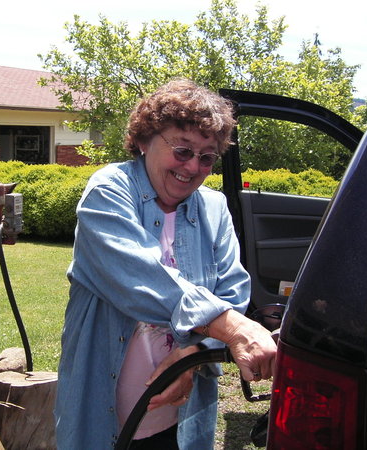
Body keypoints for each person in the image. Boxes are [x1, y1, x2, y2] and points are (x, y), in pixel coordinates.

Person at [54, 79, 277, 449]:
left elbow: (232, 291)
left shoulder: (214, 208)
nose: (192, 166)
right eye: (182, 149)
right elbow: (139, 277)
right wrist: (233, 327)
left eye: (206, 157)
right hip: (104, 415)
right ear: (144, 140)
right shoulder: (109, 191)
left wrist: (191, 354)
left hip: (183, 417)